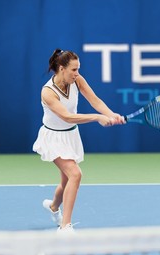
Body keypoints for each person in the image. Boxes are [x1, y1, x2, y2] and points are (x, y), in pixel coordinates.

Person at [32, 49, 125, 233]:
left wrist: (111, 114)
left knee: (66, 181)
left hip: (71, 136)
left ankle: (53, 207)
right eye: (74, 70)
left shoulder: (77, 80)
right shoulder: (48, 92)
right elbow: (67, 117)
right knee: (75, 174)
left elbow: (95, 100)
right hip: (53, 138)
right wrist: (97, 118)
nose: (77, 73)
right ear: (61, 69)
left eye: (78, 69)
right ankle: (65, 226)